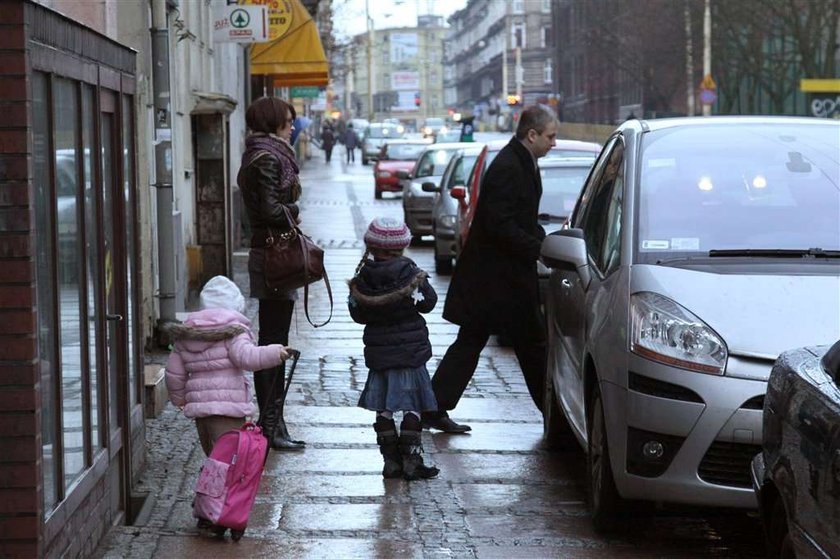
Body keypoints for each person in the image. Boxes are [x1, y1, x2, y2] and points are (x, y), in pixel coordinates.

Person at [422, 104, 559, 433]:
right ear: (532, 135)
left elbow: (520, 219)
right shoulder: (510, 166)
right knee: (527, 345)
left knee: (485, 343)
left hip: (501, 277)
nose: (554, 143)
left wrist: (541, 239)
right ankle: (556, 419)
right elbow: (499, 223)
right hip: (497, 278)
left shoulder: (522, 161)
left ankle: (434, 406)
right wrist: (537, 247)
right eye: (550, 137)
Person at [237, 96, 306, 451]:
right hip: (273, 257)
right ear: (273, 121)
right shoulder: (265, 157)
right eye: (288, 121)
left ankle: (274, 421)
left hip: (275, 254)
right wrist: (295, 208)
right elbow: (269, 210)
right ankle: (269, 423)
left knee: (274, 340)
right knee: (273, 343)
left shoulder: (268, 154)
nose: (292, 126)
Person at [348, 218, 440, 480]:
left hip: (380, 355)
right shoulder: (411, 274)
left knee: (384, 409)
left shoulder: (363, 277)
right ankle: (412, 461)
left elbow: (358, 314)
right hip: (411, 355)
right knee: (412, 406)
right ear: (402, 245)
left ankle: (390, 462)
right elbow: (429, 303)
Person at [164, 275, 291, 456]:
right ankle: (226, 484)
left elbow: (173, 373)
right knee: (231, 459)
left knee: (213, 456)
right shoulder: (234, 334)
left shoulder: (187, 337)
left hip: (201, 411)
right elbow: (249, 357)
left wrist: (180, 400)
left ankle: (214, 482)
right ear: (235, 306)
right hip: (229, 409)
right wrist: (276, 352)